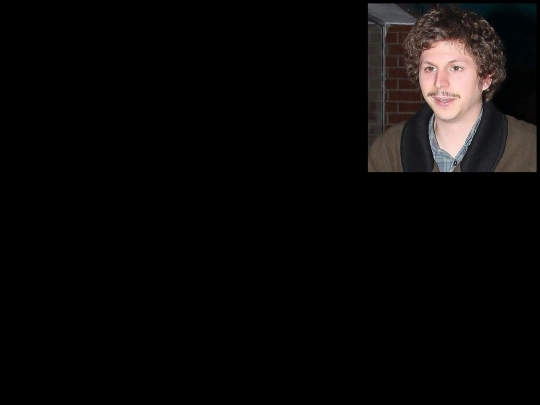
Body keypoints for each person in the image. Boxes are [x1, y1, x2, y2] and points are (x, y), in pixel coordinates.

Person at [368, 4, 537, 172]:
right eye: (430, 68)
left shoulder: (529, 148)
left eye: (455, 68)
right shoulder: (388, 150)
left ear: (486, 78)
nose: (439, 82)